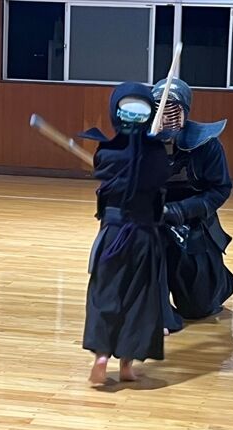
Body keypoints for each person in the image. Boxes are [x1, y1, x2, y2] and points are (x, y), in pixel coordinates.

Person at [80, 82, 171, 384]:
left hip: (113, 235)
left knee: (105, 294)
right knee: (139, 298)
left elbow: (104, 174)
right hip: (145, 236)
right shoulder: (157, 155)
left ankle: (101, 356)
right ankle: (127, 366)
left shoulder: (107, 152)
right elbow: (161, 179)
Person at [151, 78, 233, 333]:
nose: (165, 117)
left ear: (185, 112)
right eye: (159, 109)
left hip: (191, 221)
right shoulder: (136, 143)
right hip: (150, 223)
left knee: (198, 307)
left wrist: (180, 211)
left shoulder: (206, 145)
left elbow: (220, 189)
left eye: (172, 110)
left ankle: (218, 279)